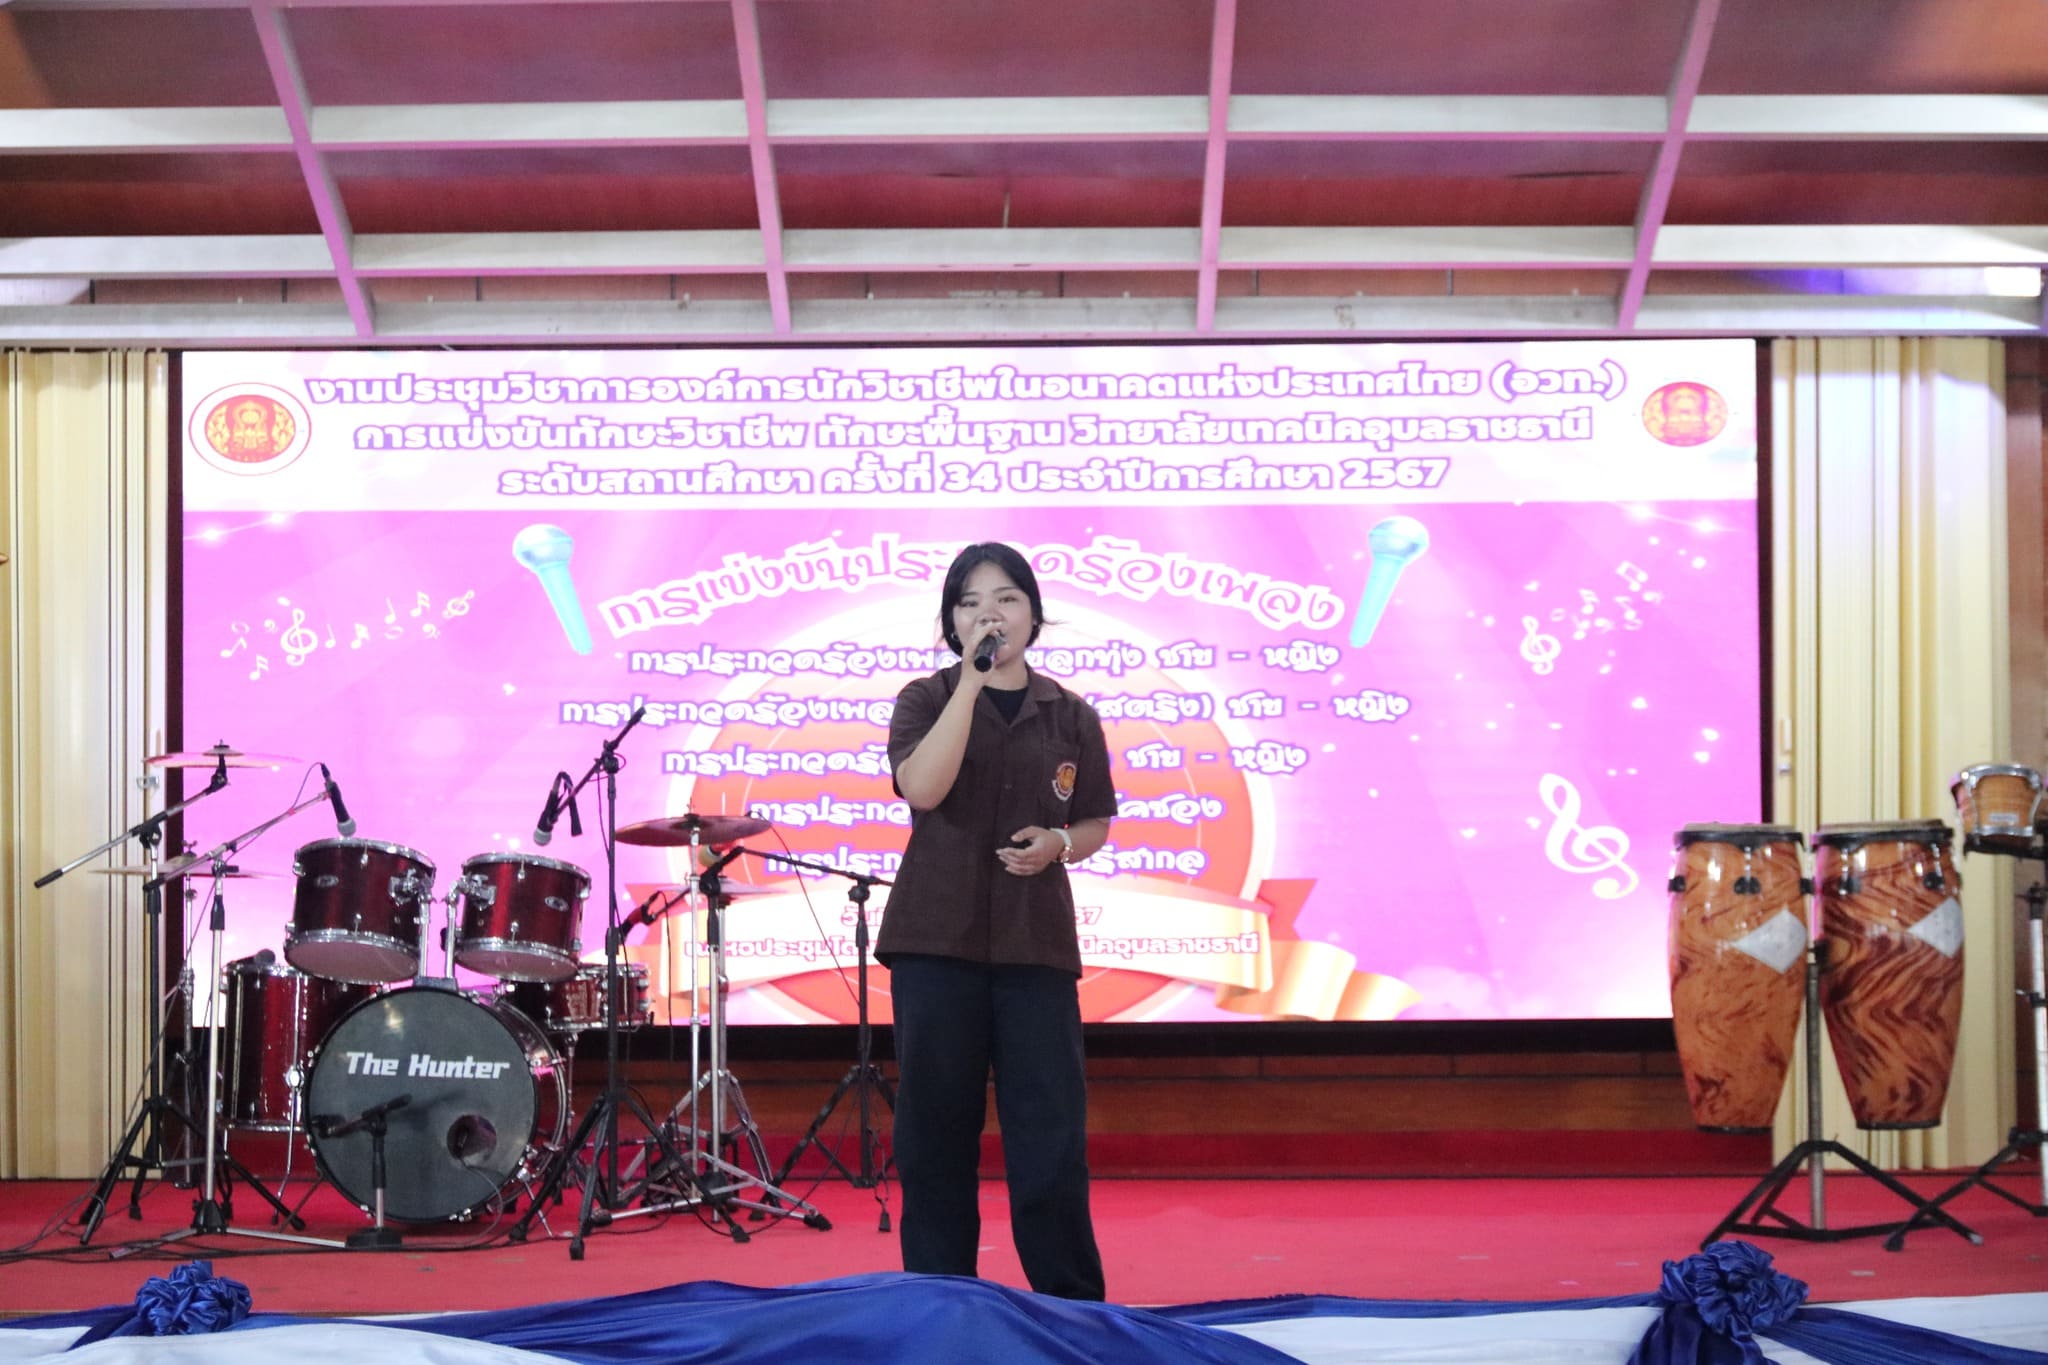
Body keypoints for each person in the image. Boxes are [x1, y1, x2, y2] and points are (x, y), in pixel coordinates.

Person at [878, 541, 1116, 1301]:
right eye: (971, 602)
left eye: (1008, 598)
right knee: (935, 1131)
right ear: (952, 621)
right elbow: (923, 787)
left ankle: (1070, 1307)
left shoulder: (1071, 714)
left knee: (1050, 1133)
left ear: (1034, 616)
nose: (991, 613)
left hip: (1034, 943)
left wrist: (1060, 845)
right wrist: (970, 685)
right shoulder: (925, 698)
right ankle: (941, 1301)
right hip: (934, 942)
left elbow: (1094, 819)